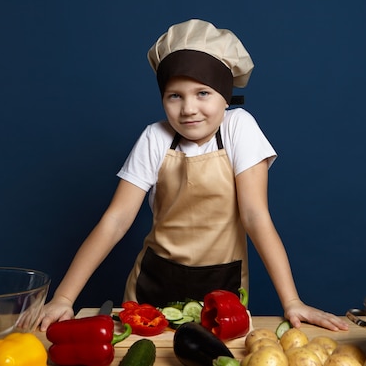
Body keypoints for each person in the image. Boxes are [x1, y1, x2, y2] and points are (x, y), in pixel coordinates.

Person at [38, 19, 349, 332]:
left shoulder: (239, 128)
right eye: (175, 95)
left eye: (202, 93)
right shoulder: (154, 137)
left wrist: (292, 301)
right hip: (151, 287)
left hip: (222, 291)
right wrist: (64, 297)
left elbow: (255, 216)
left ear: (225, 97)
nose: (188, 109)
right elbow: (116, 220)